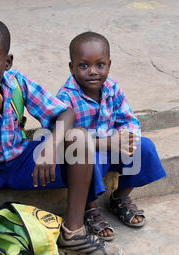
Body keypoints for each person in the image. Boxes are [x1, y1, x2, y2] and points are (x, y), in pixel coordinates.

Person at [0, 19, 123, 255]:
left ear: (8, 62)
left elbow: (65, 113)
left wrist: (50, 145)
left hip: (21, 160)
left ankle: (73, 234)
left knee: (78, 138)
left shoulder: (17, 82)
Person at [56, 31, 167, 241]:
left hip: (114, 148)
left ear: (109, 64)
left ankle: (120, 198)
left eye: (100, 65)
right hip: (88, 154)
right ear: (71, 67)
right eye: (83, 65)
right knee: (86, 162)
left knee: (144, 146)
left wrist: (127, 138)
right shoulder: (66, 96)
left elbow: (128, 119)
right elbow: (65, 139)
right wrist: (107, 144)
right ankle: (89, 209)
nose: (92, 72)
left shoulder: (112, 88)